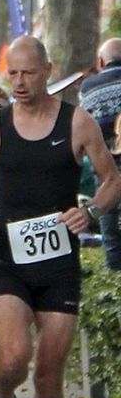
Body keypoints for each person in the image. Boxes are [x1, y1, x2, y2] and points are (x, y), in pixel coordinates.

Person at [0, 36, 121, 398]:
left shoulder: (76, 122)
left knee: (50, 375)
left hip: (59, 265)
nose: (18, 82)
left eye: (28, 73)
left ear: (47, 70)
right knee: (13, 358)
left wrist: (92, 212)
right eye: (12, 73)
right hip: (9, 260)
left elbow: (111, 178)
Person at [80, 37, 121, 270]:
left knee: (108, 209)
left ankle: (114, 264)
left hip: (104, 157)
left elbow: (86, 121)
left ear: (101, 61)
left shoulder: (89, 86)